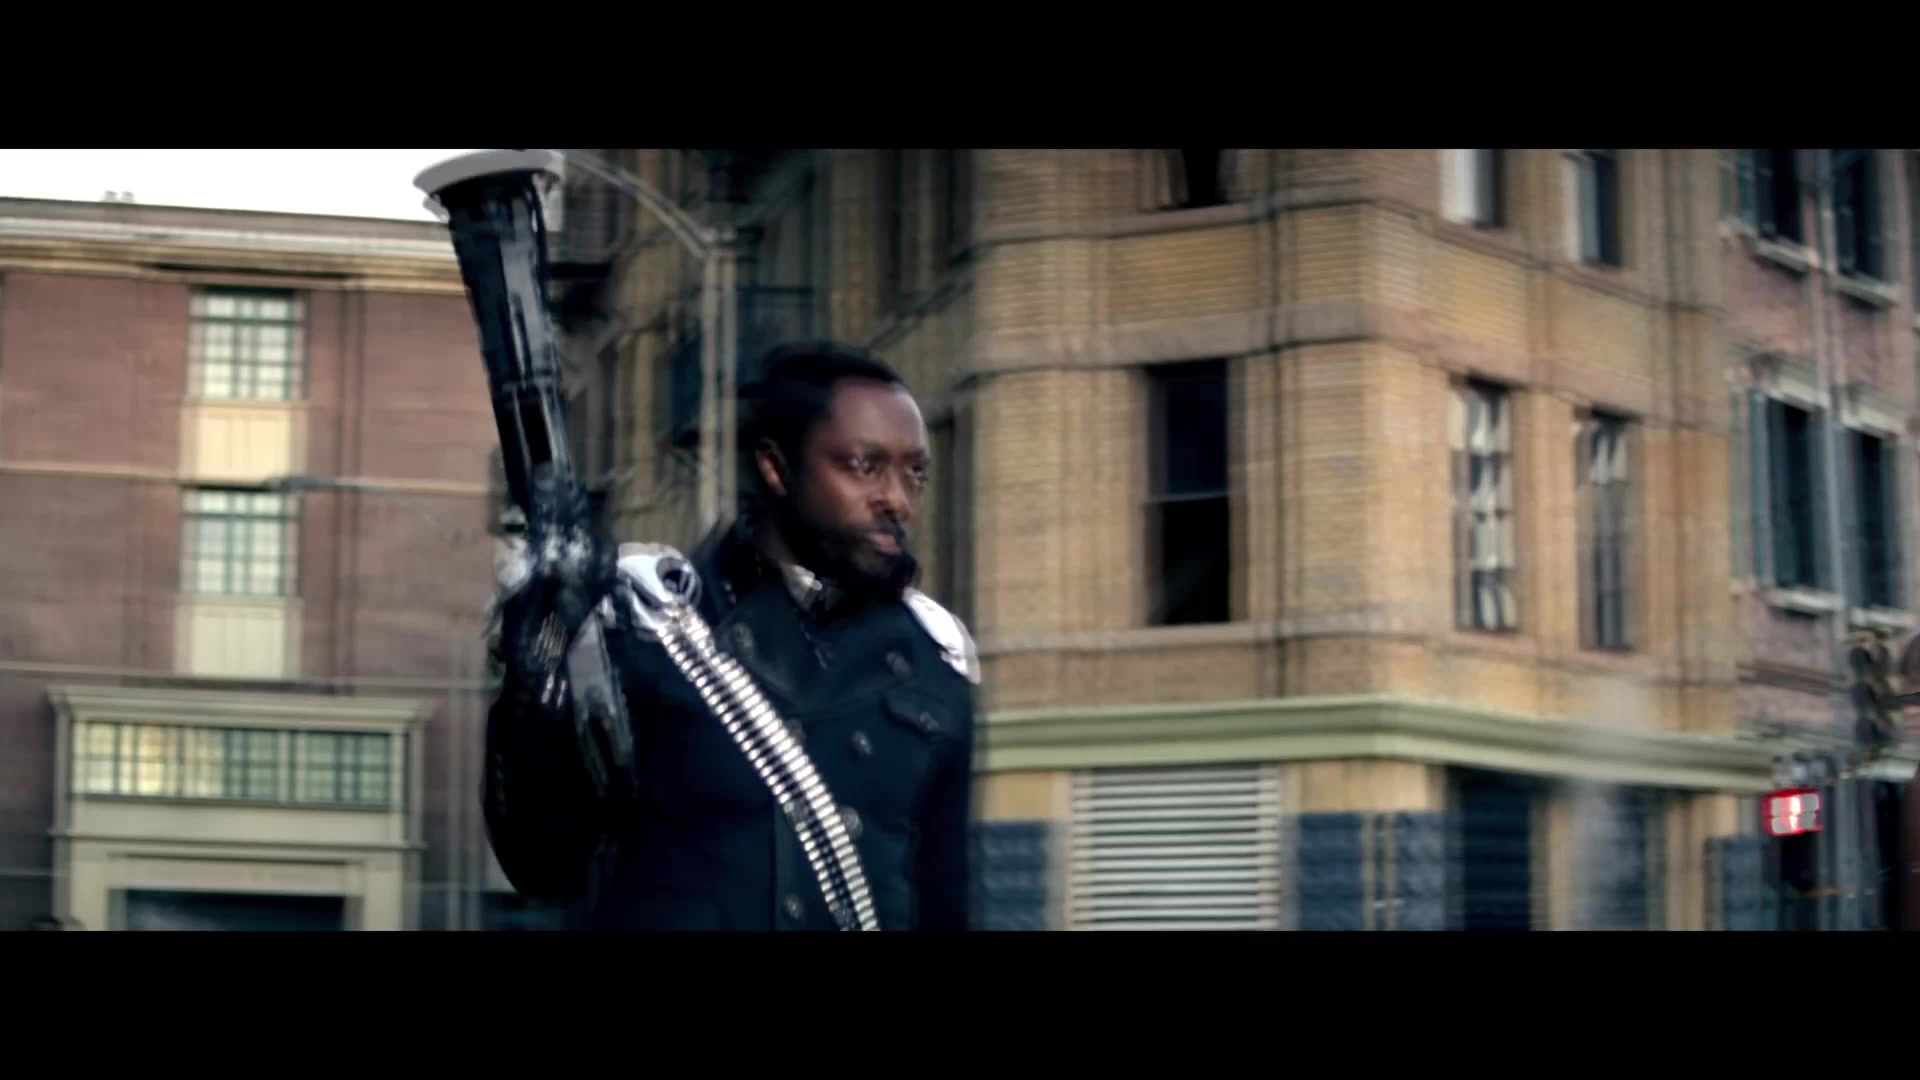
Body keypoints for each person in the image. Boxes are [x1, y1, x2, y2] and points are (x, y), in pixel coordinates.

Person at [481, 341, 978, 931]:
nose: (898, 499)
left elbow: (945, 904)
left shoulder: (935, 658)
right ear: (775, 467)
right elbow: (541, 863)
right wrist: (534, 680)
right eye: (863, 466)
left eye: (914, 472)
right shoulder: (647, 628)